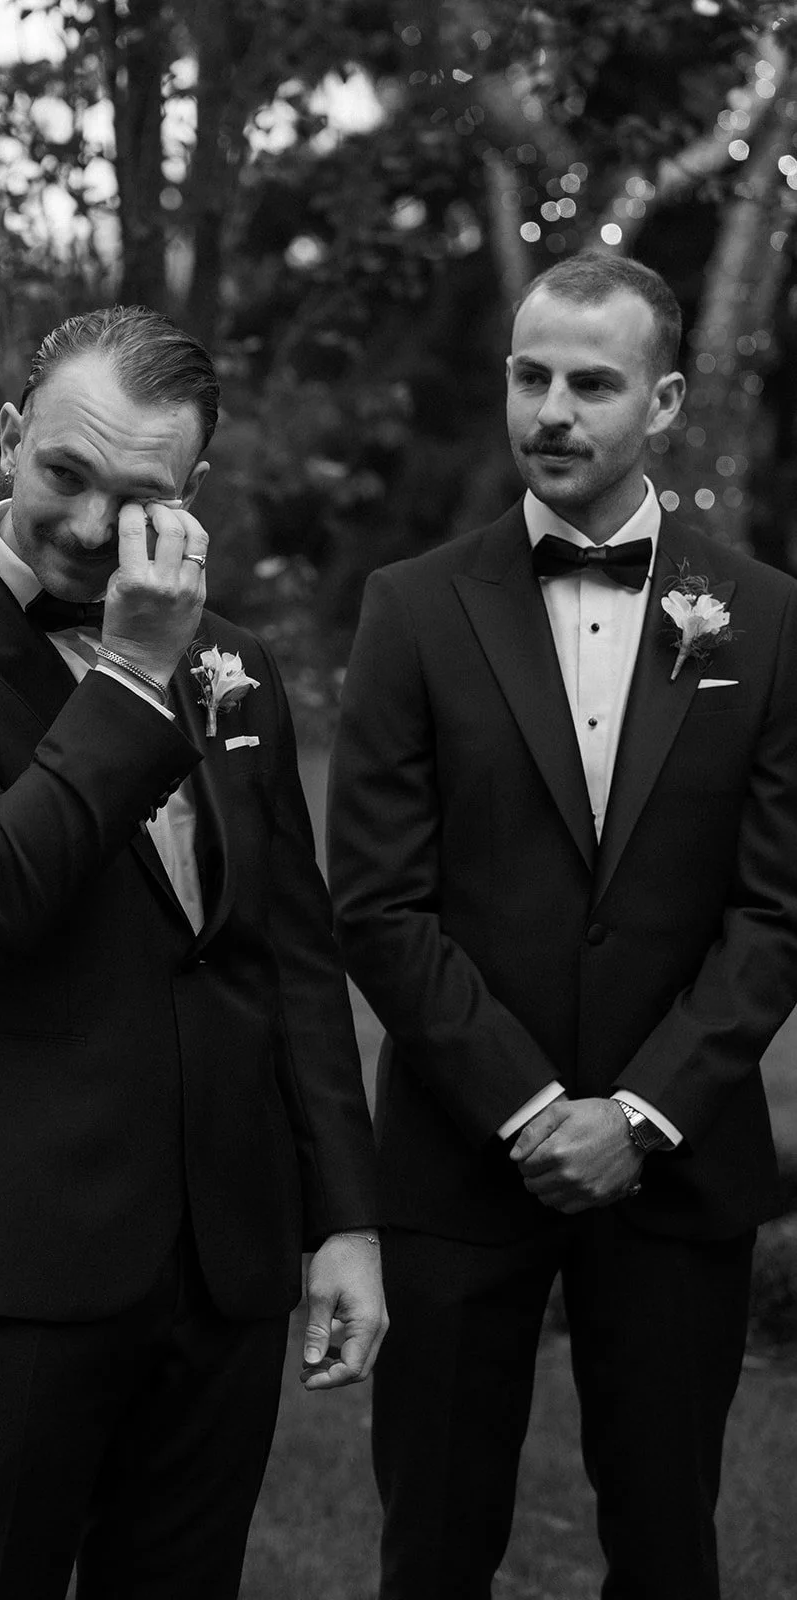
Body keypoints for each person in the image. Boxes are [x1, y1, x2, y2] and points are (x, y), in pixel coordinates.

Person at [0, 305, 386, 1600]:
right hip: (4, 1254)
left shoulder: (234, 664)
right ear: (10, 435)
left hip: (221, 1258)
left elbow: (286, 952)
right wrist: (132, 670)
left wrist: (341, 1219)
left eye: (136, 497)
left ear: (193, 494)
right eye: (63, 471)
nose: (83, 522)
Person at [326, 252, 797, 1599]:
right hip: (457, 1165)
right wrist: (531, 1109)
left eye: (590, 383)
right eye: (530, 375)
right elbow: (376, 897)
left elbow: (774, 907)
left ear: (659, 403)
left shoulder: (759, 620)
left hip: (675, 1164)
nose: (551, 409)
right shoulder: (412, 610)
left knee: (664, 1539)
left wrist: (637, 1114)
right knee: (433, 1542)